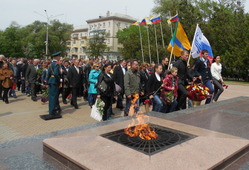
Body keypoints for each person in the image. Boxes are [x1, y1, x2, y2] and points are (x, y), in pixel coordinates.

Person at [40, 52, 62, 120]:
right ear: (57, 57)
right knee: (54, 97)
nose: (60, 58)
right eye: (59, 56)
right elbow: (56, 74)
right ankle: (52, 112)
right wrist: (59, 81)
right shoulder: (56, 64)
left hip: (51, 81)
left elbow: (48, 74)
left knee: (51, 96)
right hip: (55, 81)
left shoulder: (50, 64)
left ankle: (51, 111)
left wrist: (47, 82)